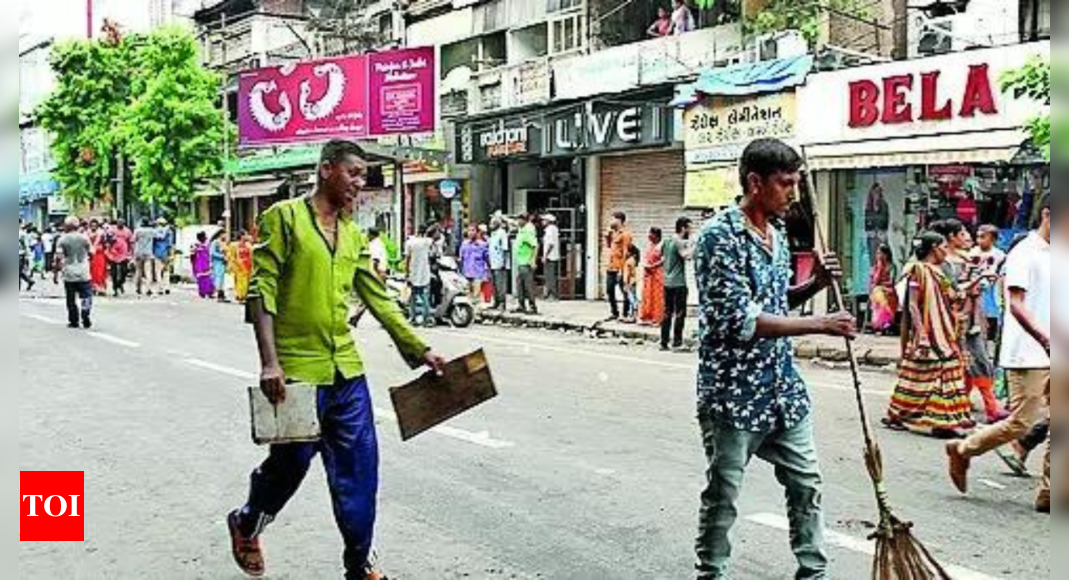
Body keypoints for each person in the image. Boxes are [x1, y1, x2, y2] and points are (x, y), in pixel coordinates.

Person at [227, 140, 446, 580]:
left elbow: (378, 299)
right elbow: (261, 291)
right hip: (295, 373)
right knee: (290, 465)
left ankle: (358, 564)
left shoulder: (353, 235)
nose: (360, 183)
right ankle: (248, 520)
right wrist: (270, 362)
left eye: (364, 176)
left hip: (346, 371)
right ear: (327, 170)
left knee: (360, 470)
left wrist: (419, 349)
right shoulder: (285, 218)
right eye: (354, 173)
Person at [693, 139, 855, 579]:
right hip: (733, 394)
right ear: (754, 183)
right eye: (785, 184)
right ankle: (711, 573)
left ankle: (813, 571)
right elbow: (740, 319)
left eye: (796, 183)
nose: (793, 194)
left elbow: (775, 302)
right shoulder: (717, 238)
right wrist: (822, 325)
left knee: (806, 483)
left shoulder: (778, 235)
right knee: (724, 492)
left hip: (783, 390)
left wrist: (816, 284)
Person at [947, 198, 1050, 513]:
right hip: (1029, 352)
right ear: (1049, 215)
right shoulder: (1025, 253)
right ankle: (963, 449)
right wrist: (1044, 338)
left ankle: (1050, 490)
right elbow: (1016, 303)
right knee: (1020, 422)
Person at [885, 232, 975, 438]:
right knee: (924, 374)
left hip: (944, 330)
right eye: (944, 247)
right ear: (934, 247)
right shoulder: (918, 270)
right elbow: (912, 305)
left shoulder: (939, 271)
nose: (946, 251)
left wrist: (975, 280)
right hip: (929, 331)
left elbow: (953, 294)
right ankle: (912, 417)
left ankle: (938, 420)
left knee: (931, 374)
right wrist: (923, 334)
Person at [934, 219, 1006, 424]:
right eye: (963, 233)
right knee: (966, 360)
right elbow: (951, 291)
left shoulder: (968, 258)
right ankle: (984, 407)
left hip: (973, 314)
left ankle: (970, 404)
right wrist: (974, 283)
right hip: (955, 318)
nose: (968, 237)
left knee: (975, 360)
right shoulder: (944, 262)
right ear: (951, 237)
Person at [54, 217, 94, 329]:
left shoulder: (62, 240)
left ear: (66, 226)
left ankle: (74, 320)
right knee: (86, 295)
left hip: (69, 272)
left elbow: (58, 257)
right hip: (84, 272)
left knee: (71, 299)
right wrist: (88, 260)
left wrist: (56, 273)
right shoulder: (84, 238)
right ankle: (85, 312)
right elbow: (92, 252)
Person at [661, 217, 694, 351]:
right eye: (689, 228)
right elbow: (686, 255)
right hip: (678, 283)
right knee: (680, 313)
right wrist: (694, 244)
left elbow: (662, 256)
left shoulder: (667, 240)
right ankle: (677, 342)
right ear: (683, 228)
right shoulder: (678, 241)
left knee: (667, 312)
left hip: (667, 282)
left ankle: (663, 342)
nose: (690, 231)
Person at [972, 224, 1006, 340]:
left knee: (992, 312)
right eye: (977, 237)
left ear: (993, 239)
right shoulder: (972, 252)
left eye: (982, 237)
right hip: (977, 286)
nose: (979, 240)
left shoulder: (1000, 255)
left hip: (992, 288)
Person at [405, 225, 437, 327]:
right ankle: (426, 319)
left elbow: (407, 259)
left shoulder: (410, 242)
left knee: (413, 297)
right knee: (425, 297)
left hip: (413, 273)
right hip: (425, 273)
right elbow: (435, 241)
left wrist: (406, 272)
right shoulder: (427, 242)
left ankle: (413, 318)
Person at [605, 212, 633, 320]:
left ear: (619, 220)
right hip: (611, 266)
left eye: (613, 219)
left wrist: (622, 270)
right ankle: (614, 312)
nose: (611, 221)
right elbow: (608, 246)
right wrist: (607, 236)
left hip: (620, 268)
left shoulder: (626, 234)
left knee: (624, 290)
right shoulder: (612, 233)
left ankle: (625, 313)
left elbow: (626, 252)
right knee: (609, 290)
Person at [513, 213, 540, 315]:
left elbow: (535, 246)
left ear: (525, 221)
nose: (518, 222)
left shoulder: (528, 232)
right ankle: (521, 305)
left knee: (528, 286)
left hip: (526, 262)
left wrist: (533, 260)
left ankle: (533, 306)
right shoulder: (521, 231)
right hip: (520, 262)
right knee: (519, 285)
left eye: (520, 220)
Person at [639, 228, 665, 326]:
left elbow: (663, 259)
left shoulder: (661, 246)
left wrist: (653, 265)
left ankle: (658, 318)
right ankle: (647, 316)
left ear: (656, 235)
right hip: (648, 274)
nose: (649, 236)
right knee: (647, 295)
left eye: (651, 234)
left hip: (657, 273)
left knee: (657, 296)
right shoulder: (650, 245)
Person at [869, 244, 898, 334]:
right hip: (878, 290)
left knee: (883, 296)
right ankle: (880, 324)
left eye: (880, 253)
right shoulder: (876, 267)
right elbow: (875, 281)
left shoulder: (892, 266)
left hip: (889, 290)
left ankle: (886, 323)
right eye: (877, 253)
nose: (879, 255)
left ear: (886, 254)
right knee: (878, 295)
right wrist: (879, 267)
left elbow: (892, 281)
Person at [459, 226, 490, 301]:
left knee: (476, 296)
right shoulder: (464, 244)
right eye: (469, 230)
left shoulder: (483, 245)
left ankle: (476, 311)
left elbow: (487, 258)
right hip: (466, 273)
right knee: (467, 295)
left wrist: (488, 272)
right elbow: (461, 258)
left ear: (477, 232)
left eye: (473, 230)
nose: (470, 232)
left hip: (478, 273)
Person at [865, 182, 890, 267]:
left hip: (881, 234)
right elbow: (867, 222)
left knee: (883, 257)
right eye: (875, 191)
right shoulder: (868, 206)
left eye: (878, 191)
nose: (876, 194)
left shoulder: (884, 204)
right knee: (873, 259)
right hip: (872, 235)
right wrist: (870, 231)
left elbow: (885, 220)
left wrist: (882, 231)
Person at [106, 220, 134, 296]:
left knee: (124, 271)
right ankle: (115, 288)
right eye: (119, 223)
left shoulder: (128, 231)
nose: (120, 224)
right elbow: (107, 240)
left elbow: (131, 242)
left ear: (124, 224)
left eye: (122, 223)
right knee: (113, 272)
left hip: (124, 253)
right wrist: (111, 240)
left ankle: (120, 283)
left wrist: (130, 253)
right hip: (113, 252)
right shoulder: (112, 230)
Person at [489, 218, 510, 311]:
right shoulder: (493, 234)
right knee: (494, 285)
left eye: (492, 223)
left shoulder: (502, 233)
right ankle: (496, 301)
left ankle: (502, 303)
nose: (490, 225)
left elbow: (505, 249)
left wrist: (504, 263)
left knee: (500, 284)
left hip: (499, 263)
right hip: (492, 262)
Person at [133, 218, 158, 296]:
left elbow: (134, 240)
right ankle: (148, 288)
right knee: (148, 271)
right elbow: (157, 237)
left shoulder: (137, 230)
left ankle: (138, 288)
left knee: (138, 270)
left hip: (138, 252)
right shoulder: (152, 231)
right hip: (148, 252)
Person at [153, 218, 175, 295]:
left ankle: (160, 288)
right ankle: (167, 287)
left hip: (157, 253)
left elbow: (153, 243)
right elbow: (170, 244)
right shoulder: (169, 232)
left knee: (158, 271)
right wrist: (171, 254)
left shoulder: (155, 231)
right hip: (166, 253)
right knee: (166, 271)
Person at [542, 215, 561, 301]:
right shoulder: (553, 229)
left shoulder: (550, 230)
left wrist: (545, 255)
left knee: (550, 277)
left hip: (550, 257)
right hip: (553, 256)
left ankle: (552, 295)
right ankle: (551, 294)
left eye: (544, 220)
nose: (542, 221)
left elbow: (550, 244)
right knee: (551, 276)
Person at [88, 219, 109, 295]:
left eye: (95, 225)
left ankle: (101, 288)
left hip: (100, 255)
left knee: (100, 272)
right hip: (90, 255)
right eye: (92, 225)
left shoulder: (101, 233)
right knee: (91, 272)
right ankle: (93, 287)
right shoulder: (87, 233)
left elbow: (105, 243)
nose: (93, 227)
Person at [621, 244, 641, 323]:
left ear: (630, 252)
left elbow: (627, 274)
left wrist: (625, 284)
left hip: (629, 282)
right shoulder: (634, 260)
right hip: (633, 281)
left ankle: (634, 314)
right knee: (633, 296)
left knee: (631, 298)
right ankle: (633, 315)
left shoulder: (628, 261)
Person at [232, 232, 254, 303]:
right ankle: (240, 296)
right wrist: (234, 265)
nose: (246, 236)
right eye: (245, 235)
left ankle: (244, 296)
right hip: (239, 265)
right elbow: (232, 256)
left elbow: (252, 253)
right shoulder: (234, 245)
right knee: (240, 281)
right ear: (241, 236)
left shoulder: (248, 245)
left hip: (248, 265)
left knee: (247, 281)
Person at [192, 232, 214, 299]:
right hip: (202, 265)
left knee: (205, 279)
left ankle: (206, 293)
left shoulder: (202, 246)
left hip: (202, 265)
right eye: (205, 237)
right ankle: (205, 293)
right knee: (205, 279)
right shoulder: (198, 246)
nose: (206, 238)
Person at [210, 231, 230, 303]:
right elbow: (212, 253)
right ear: (220, 234)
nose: (226, 236)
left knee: (222, 279)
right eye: (225, 234)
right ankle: (219, 295)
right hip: (217, 262)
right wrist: (222, 257)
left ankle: (222, 295)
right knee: (219, 278)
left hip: (223, 263)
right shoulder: (215, 242)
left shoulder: (223, 242)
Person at [19, 223, 35, 291]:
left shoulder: (22, 234)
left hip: (20, 254)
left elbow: (26, 245)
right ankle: (30, 281)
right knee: (19, 272)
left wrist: (27, 256)